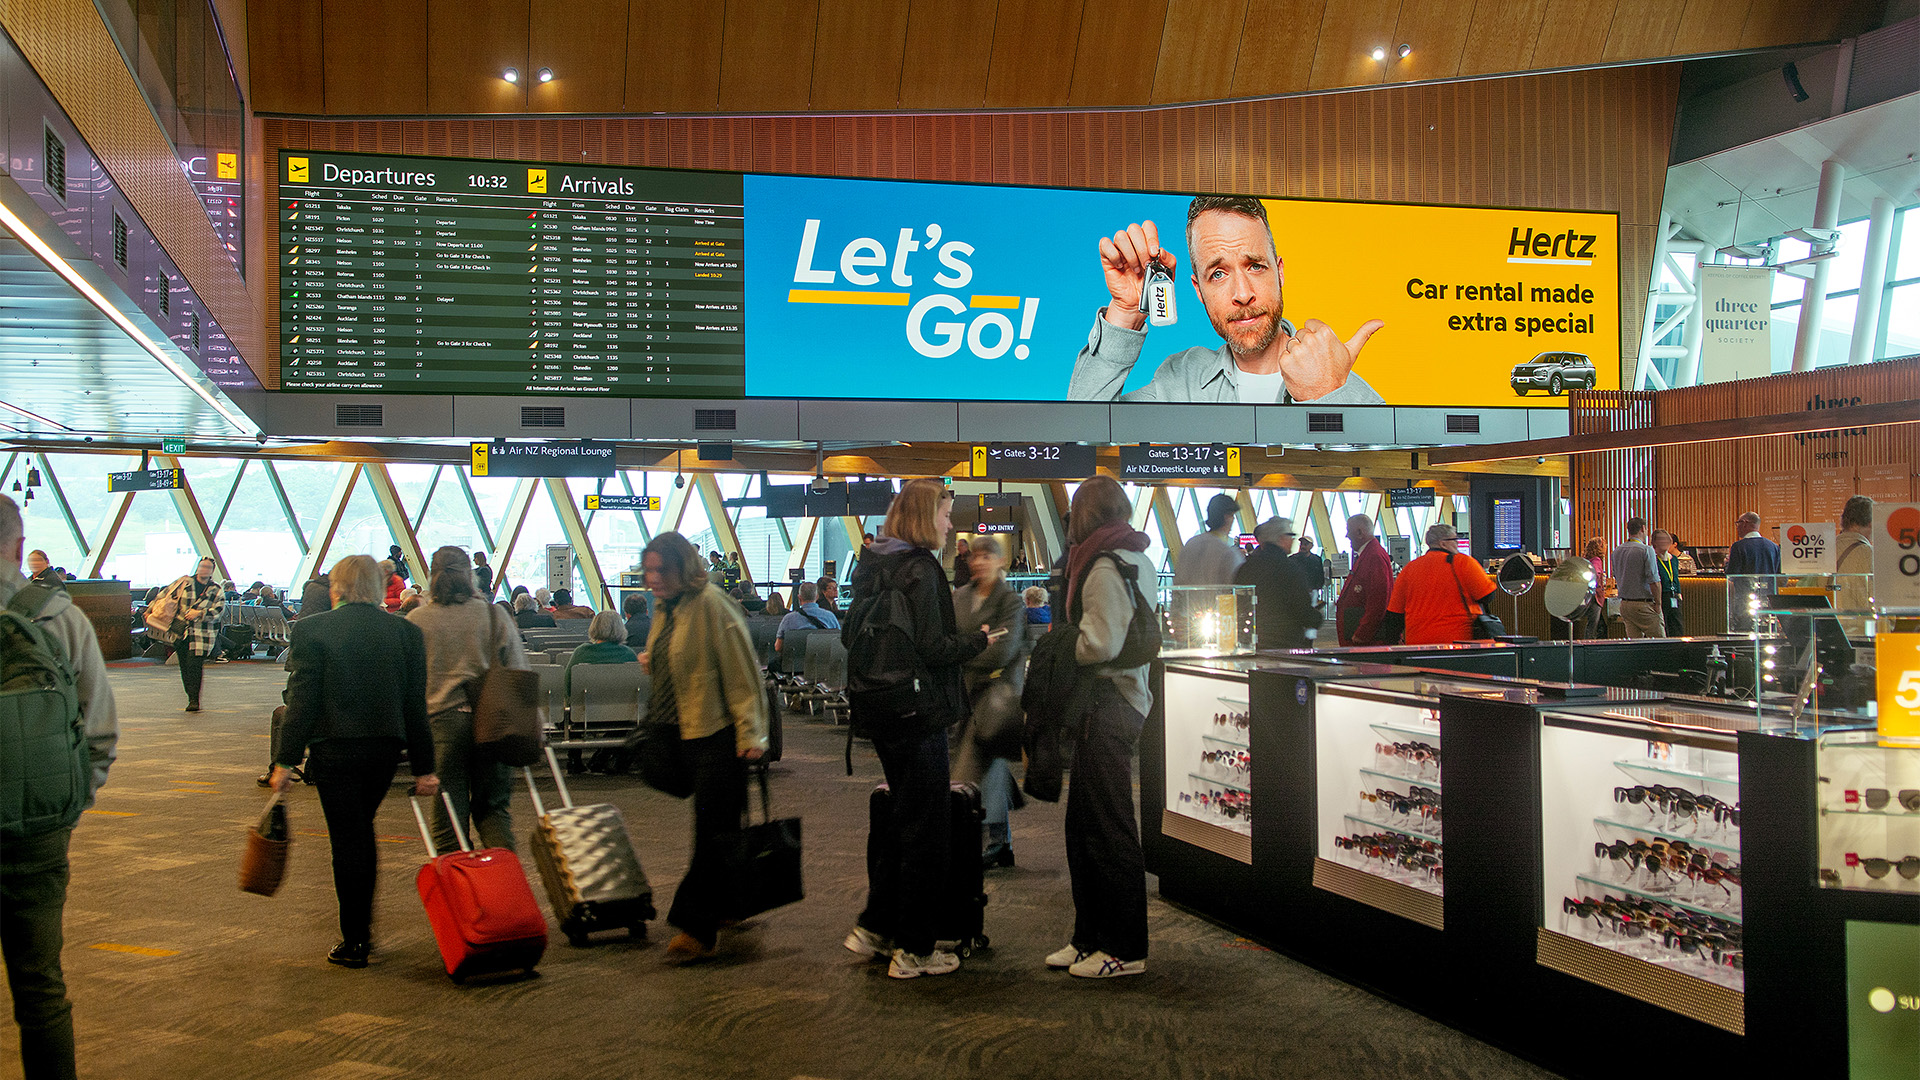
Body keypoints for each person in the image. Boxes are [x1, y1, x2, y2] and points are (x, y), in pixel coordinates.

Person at [843, 480, 999, 980]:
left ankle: (876, 925)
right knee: (927, 830)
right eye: (945, 514)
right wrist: (976, 642)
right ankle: (915, 948)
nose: (950, 525)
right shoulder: (921, 569)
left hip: (879, 707)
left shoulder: (872, 563)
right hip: (918, 710)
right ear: (924, 517)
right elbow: (933, 648)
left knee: (899, 819)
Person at [270, 555, 437, 969]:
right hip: (385, 750)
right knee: (361, 831)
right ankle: (360, 933)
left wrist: (284, 761)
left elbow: (302, 702)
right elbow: (414, 704)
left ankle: (356, 940)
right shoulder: (405, 632)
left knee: (348, 839)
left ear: (338, 587)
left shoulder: (312, 629)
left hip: (334, 750)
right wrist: (424, 767)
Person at [1, 496, 118, 1080]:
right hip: (39, 830)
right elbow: (100, 731)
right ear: (20, 547)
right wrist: (66, 803)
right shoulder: (61, 618)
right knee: (40, 986)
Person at [1069, 195, 1385, 404]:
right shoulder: (1181, 380)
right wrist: (1127, 311)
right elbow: (1080, 435)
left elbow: (1386, 471)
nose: (1243, 294)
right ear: (1198, 290)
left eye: (1255, 266)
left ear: (1279, 273)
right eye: (1218, 274)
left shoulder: (1332, 376)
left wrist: (1326, 394)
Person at [1042, 475, 1156, 979]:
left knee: (1108, 826)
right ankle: (1088, 936)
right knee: (1085, 824)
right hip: (1117, 701)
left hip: (1108, 702)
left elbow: (1100, 643)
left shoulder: (1103, 564)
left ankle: (1124, 948)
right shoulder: (1135, 557)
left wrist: (1058, 647)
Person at [638, 532, 767, 964]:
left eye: (661, 570)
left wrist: (751, 735)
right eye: (648, 570)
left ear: (684, 568)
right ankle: (728, 904)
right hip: (681, 731)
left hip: (718, 733)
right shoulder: (665, 608)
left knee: (711, 833)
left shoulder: (713, 605)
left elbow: (743, 675)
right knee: (722, 827)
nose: (653, 578)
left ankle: (697, 928)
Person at [407, 546, 528, 856]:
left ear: (432, 576)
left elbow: (407, 682)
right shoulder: (494, 614)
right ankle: (504, 879)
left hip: (442, 723)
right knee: (493, 809)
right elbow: (518, 671)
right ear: (469, 576)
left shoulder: (417, 620)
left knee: (448, 816)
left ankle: (459, 882)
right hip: (493, 723)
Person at [949, 536, 1028, 870]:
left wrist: (966, 650)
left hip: (997, 693)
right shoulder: (959, 597)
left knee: (976, 760)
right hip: (966, 693)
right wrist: (981, 641)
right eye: (975, 556)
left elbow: (1004, 650)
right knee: (987, 760)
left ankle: (988, 841)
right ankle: (1001, 841)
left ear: (1000, 561)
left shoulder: (1011, 601)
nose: (979, 562)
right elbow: (952, 641)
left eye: (986, 556)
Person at [1381, 523, 1499, 646]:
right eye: (1455, 540)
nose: (1457, 544)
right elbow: (1487, 595)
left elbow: (1394, 614)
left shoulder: (1409, 569)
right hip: (1459, 641)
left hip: (1417, 643)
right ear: (1443, 543)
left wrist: (1394, 643)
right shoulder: (1463, 562)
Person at [1233, 517, 1320, 649]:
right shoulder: (1289, 569)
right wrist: (1316, 618)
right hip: (1285, 642)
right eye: (1290, 535)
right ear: (1281, 538)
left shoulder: (1246, 568)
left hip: (1252, 641)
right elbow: (1301, 609)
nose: (1293, 539)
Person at [153, 557, 225, 712]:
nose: (204, 569)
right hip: (180, 632)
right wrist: (150, 611)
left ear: (212, 571)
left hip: (201, 634)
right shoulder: (184, 583)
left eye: (208, 567)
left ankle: (194, 700)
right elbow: (163, 596)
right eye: (202, 566)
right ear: (197, 567)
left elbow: (219, 611)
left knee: (194, 665)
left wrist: (199, 613)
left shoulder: (216, 589)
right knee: (185, 667)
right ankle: (190, 695)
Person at [1336, 514, 1392, 646]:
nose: (1347, 536)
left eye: (1349, 531)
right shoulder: (1369, 555)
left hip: (1367, 641)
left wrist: (1363, 632)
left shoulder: (1374, 557)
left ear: (1360, 533)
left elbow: (1378, 599)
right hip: (1360, 636)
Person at [1174, 493, 1245, 587]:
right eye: (1232, 515)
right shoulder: (1227, 552)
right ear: (1226, 517)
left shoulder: (1191, 544)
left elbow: (1179, 579)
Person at [1611, 518, 1663, 639]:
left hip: (1625, 605)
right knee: (1659, 642)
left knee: (1635, 643)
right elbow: (1654, 581)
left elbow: (1615, 575)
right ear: (1643, 528)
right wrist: (1658, 604)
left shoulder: (1617, 551)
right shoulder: (1646, 550)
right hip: (1643, 604)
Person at [564, 609, 637, 695]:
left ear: (594, 628)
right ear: (621, 629)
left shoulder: (581, 652)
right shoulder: (629, 654)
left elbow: (567, 685)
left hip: (586, 702)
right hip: (623, 703)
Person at [1834, 496, 1873, 637]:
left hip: (1829, 633)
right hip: (1861, 634)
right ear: (1871, 523)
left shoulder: (1824, 550)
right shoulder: (1868, 553)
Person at [774, 580, 840, 659]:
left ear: (799, 597)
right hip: (823, 663)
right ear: (817, 597)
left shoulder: (788, 619)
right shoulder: (830, 617)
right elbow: (838, 642)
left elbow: (778, 647)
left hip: (794, 664)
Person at [1726, 511, 1782, 577]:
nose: (1737, 527)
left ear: (1744, 523)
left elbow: (1732, 575)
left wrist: (1727, 564)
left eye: (1738, 523)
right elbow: (1779, 574)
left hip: (1745, 584)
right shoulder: (1774, 547)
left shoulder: (1738, 547)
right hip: (1769, 584)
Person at [1652, 529, 1685, 637]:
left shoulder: (1674, 559)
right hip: (1660, 595)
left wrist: (1678, 593)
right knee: (1663, 624)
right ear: (1655, 543)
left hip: (1674, 595)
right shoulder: (1653, 560)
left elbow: (1675, 577)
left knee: (1677, 624)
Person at [1579, 537, 1608, 639]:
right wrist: (1598, 584)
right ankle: (1589, 644)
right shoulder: (1597, 560)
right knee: (1593, 626)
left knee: (1590, 625)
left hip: (1586, 596)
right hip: (1595, 597)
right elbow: (1595, 574)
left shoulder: (1587, 560)